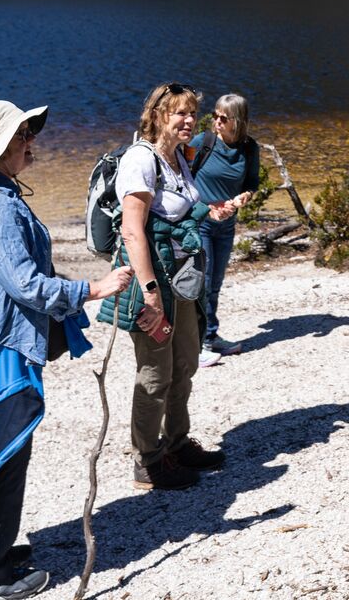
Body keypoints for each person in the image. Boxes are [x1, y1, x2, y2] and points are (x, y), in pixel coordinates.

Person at [0, 100, 134, 599]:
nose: (30, 143)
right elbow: (25, 285)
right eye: (22, 136)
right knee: (3, 457)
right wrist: (92, 290)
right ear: (1, 147)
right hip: (0, 349)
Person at [101, 82, 238, 490]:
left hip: (181, 280)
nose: (190, 121)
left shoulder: (177, 156)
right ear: (158, 116)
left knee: (185, 364)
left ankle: (176, 444)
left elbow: (177, 212)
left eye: (192, 113)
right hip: (152, 280)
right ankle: (147, 459)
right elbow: (132, 231)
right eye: (180, 113)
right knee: (155, 374)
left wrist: (207, 212)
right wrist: (149, 291)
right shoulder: (140, 161)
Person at [188, 93, 261, 364]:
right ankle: (198, 344)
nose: (216, 121)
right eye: (215, 115)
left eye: (223, 118)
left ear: (237, 121)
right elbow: (179, 177)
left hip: (227, 225)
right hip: (201, 224)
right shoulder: (202, 143)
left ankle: (210, 336)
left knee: (215, 284)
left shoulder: (250, 148)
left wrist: (245, 197)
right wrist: (203, 209)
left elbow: (252, 182)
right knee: (202, 283)